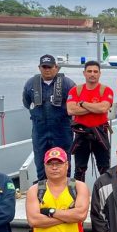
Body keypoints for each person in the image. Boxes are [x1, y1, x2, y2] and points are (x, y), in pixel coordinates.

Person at [23, 54, 76, 182]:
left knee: (64, 158)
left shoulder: (67, 84)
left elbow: (74, 104)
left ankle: (66, 186)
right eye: (44, 67)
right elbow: (26, 102)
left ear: (56, 67)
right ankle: (42, 186)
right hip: (40, 129)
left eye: (50, 67)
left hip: (62, 129)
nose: (47, 69)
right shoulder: (31, 84)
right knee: (40, 159)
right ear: (39, 67)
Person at [66, 60, 114, 182]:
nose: (92, 74)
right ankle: (79, 197)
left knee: (104, 168)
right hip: (82, 133)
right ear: (84, 73)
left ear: (99, 74)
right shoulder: (75, 90)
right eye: (89, 71)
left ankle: (106, 197)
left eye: (95, 71)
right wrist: (95, 107)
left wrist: (82, 104)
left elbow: (104, 108)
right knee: (79, 169)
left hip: (100, 132)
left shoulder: (106, 90)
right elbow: (71, 110)